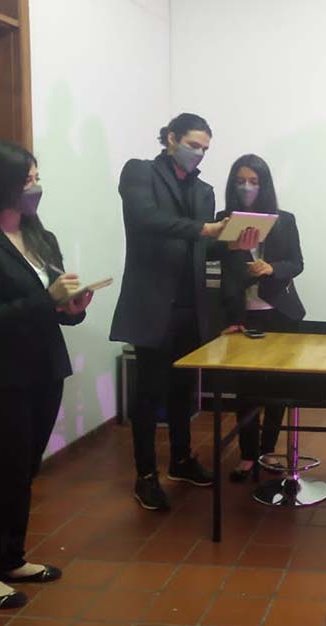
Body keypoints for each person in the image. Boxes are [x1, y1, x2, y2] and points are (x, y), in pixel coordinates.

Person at [0, 141, 91, 608]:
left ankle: (11, 558)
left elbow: (57, 310)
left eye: (36, 176)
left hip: (44, 368)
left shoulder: (39, 235)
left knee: (26, 470)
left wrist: (73, 307)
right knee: (8, 471)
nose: (35, 186)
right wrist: (47, 300)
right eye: (27, 179)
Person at [110, 113, 227, 511]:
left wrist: (233, 240)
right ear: (172, 138)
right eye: (193, 145)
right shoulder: (140, 172)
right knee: (148, 392)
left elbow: (204, 248)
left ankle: (181, 459)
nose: (199, 154)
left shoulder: (204, 190)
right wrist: (203, 230)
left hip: (191, 305)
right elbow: (145, 219)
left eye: (205, 149)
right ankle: (145, 474)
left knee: (183, 389)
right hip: (152, 301)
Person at [218, 154, 306, 482]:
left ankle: (267, 450)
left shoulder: (284, 220)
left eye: (253, 181)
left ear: (264, 184)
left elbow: (297, 263)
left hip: (280, 315)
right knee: (245, 391)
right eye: (240, 181)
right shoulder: (222, 221)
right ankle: (247, 455)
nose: (246, 187)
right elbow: (219, 266)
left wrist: (271, 268)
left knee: (277, 390)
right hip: (243, 317)